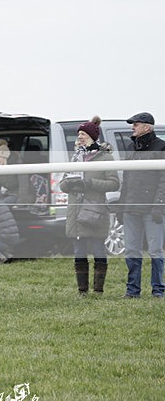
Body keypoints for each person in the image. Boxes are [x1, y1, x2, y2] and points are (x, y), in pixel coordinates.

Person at [58, 117, 120, 295]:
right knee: (79, 250)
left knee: (98, 248)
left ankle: (98, 290)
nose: (80, 137)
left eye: (83, 134)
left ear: (92, 136)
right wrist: (69, 183)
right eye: (79, 134)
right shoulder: (76, 157)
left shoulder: (106, 157)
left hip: (94, 211)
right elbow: (62, 184)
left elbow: (114, 184)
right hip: (75, 211)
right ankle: (82, 290)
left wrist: (90, 183)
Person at [116, 112, 165, 298]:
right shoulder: (131, 147)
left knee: (155, 250)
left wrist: (159, 205)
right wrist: (121, 205)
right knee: (131, 250)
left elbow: (163, 180)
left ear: (147, 126)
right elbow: (126, 180)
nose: (132, 127)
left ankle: (158, 291)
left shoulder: (161, 147)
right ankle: (132, 290)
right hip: (130, 208)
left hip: (152, 209)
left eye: (135, 124)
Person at [0, 139, 30, 205]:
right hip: (7, 194)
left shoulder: (17, 165)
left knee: (2, 205)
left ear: (5, 157)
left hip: (19, 194)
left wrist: (20, 202)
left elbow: (24, 185)